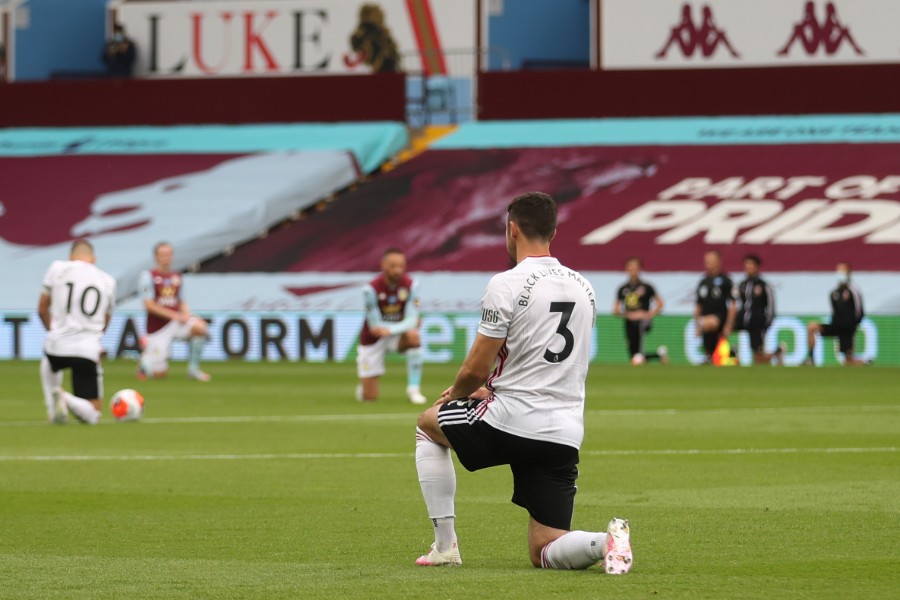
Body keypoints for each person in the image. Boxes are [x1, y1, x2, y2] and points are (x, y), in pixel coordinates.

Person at [413, 192, 633, 574]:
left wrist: (459, 393)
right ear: (554, 232)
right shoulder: (585, 287)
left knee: (428, 425)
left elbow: (475, 369)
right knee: (545, 550)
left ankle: (445, 546)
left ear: (512, 229)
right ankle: (605, 541)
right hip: (563, 432)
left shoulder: (506, 283)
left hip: (510, 420)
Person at [38, 240, 117, 425]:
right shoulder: (108, 281)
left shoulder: (57, 268)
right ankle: (66, 399)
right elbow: (106, 319)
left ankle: (53, 404)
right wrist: (97, 338)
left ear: (71, 257)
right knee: (93, 416)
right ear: (94, 259)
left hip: (57, 346)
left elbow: (42, 308)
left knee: (48, 361)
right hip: (88, 350)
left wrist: (53, 332)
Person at [356, 248, 426, 404]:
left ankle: (413, 389)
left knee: (414, 336)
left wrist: (393, 329)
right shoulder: (370, 289)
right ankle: (364, 385)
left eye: (401, 266)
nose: (397, 270)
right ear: (383, 265)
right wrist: (408, 323)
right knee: (369, 397)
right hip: (372, 339)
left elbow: (412, 319)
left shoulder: (412, 285)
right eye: (393, 266)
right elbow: (375, 325)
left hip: (396, 335)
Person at [137, 242, 211, 381]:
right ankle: (146, 358)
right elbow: (149, 305)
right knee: (159, 375)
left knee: (200, 327)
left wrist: (187, 314)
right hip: (158, 327)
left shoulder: (176, 276)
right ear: (156, 257)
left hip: (176, 322)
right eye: (163, 254)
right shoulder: (148, 276)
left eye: (169, 254)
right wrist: (175, 315)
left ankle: (193, 369)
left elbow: (181, 301)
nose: (166, 257)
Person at [805, 262, 865, 366]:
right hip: (836, 326)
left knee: (848, 362)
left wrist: (853, 326)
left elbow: (859, 310)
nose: (840, 273)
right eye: (838, 271)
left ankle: (864, 363)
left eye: (842, 271)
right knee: (812, 327)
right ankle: (811, 358)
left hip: (847, 329)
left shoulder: (853, 290)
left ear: (849, 273)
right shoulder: (834, 292)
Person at [612, 257, 667, 365]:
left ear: (639, 269)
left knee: (638, 328)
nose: (632, 270)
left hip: (643, 321)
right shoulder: (623, 288)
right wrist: (628, 314)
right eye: (630, 267)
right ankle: (658, 355)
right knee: (633, 354)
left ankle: (640, 357)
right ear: (626, 269)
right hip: (629, 321)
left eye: (635, 267)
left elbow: (660, 304)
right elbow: (615, 310)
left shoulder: (646, 287)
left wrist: (649, 314)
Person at [734, 255, 785, 365]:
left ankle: (777, 353)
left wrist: (767, 323)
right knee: (724, 330)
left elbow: (771, 305)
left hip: (757, 322)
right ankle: (730, 353)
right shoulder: (742, 284)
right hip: (742, 319)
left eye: (751, 264)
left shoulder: (764, 285)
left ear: (757, 267)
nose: (748, 267)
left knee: (758, 358)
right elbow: (735, 303)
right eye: (746, 264)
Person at [694, 250, 738, 363]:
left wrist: (729, 324)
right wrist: (697, 324)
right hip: (705, 318)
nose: (707, 263)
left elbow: (733, 304)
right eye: (706, 261)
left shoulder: (726, 281)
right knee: (712, 348)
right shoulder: (703, 282)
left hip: (720, 317)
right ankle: (723, 354)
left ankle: (723, 354)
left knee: (708, 323)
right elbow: (698, 305)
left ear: (718, 261)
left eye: (711, 260)